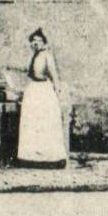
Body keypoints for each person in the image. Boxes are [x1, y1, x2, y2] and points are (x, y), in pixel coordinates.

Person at [17, 27, 67, 168]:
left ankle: (50, 158)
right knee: (31, 122)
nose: (35, 44)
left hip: (43, 91)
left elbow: (54, 75)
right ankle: (30, 157)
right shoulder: (33, 56)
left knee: (45, 122)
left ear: (44, 43)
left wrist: (57, 91)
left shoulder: (47, 56)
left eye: (38, 41)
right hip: (33, 90)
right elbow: (28, 71)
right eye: (32, 41)